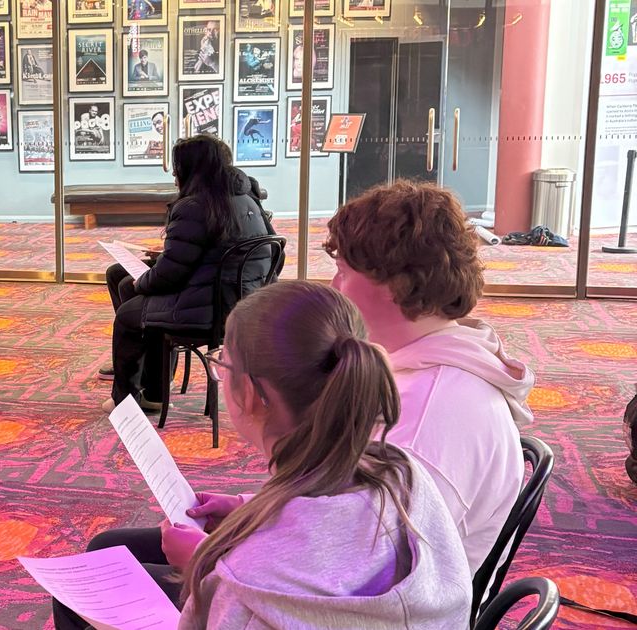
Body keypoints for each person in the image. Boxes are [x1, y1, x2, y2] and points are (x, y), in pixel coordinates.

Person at [54, 281, 472, 629]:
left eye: (222, 363)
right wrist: (244, 508)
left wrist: (202, 564)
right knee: (110, 546)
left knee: (81, 590)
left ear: (252, 394)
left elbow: (252, 589)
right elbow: (328, 522)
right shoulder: (395, 467)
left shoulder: (246, 585)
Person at [325, 180, 532, 572]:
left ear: (395, 284)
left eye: (343, 272)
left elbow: (359, 568)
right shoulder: (441, 364)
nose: (335, 287)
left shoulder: (426, 417)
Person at [101, 135, 271, 413]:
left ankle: (127, 399)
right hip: (240, 299)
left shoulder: (194, 207)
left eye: (177, 168)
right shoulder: (247, 199)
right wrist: (162, 260)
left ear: (192, 169)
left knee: (128, 312)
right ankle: (154, 383)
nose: (174, 176)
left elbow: (170, 275)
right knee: (122, 279)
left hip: (208, 307)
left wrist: (143, 281)